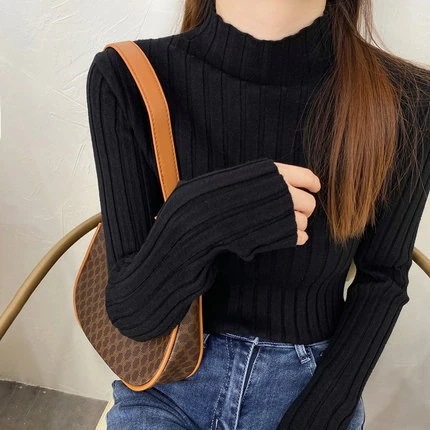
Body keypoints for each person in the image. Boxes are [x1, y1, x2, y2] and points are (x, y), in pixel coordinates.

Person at [85, 0, 430, 428]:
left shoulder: (407, 99)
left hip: (311, 388)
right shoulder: (129, 77)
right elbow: (135, 315)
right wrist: (206, 214)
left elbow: (382, 280)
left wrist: (319, 415)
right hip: (169, 382)